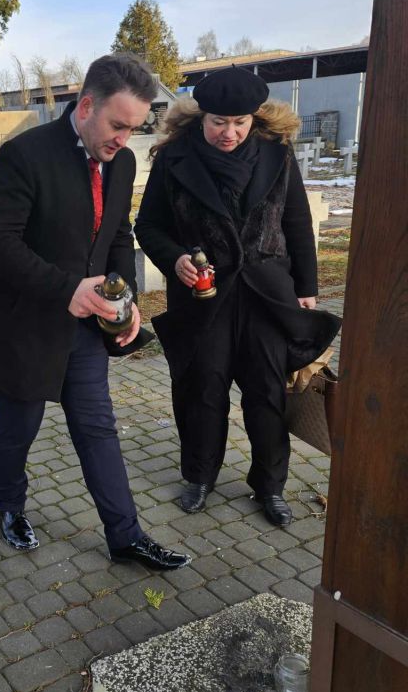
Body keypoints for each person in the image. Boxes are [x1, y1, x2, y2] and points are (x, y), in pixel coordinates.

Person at [0, 54, 191, 571]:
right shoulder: (24, 154)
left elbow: (117, 238)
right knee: (18, 427)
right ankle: (10, 505)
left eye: (134, 128)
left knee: (97, 427)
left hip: (84, 328)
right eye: (117, 125)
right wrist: (66, 288)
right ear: (86, 106)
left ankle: (125, 535)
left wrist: (124, 299)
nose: (124, 139)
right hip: (23, 325)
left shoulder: (122, 163)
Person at [134, 65, 341, 526]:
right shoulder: (174, 158)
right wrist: (175, 259)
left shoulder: (277, 155)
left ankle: (270, 486)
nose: (229, 132)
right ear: (202, 116)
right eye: (219, 122)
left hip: (267, 296)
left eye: (240, 122)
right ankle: (200, 477)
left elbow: (296, 224)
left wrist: (306, 288)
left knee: (267, 393)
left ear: (254, 118)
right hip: (203, 297)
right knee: (201, 389)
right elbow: (148, 225)